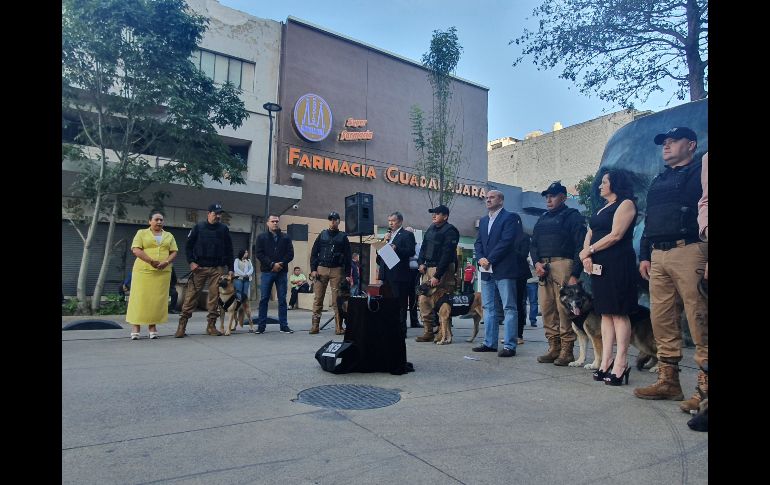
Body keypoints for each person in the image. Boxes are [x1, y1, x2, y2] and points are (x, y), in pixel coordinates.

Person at [634, 127, 708, 412]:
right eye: (664, 142)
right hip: (658, 255)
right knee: (662, 320)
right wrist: (644, 255)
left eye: (673, 141)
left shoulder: (700, 171)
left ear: (691, 145)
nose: (666, 146)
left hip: (690, 249)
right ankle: (669, 382)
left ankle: (705, 387)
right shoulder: (658, 180)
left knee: (699, 316)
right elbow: (649, 220)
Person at [578, 169, 639, 386]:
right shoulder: (601, 208)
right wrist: (586, 255)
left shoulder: (626, 204)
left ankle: (621, 363)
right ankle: (606, 360)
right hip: (598, 264)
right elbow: (590, 231)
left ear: (615, 183)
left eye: (604, 182)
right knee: (605, 312)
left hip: (618, 262)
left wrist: (590, 250)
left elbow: (616, 235)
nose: (600, 186)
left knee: (619, 312)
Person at [530, 181, 587, 365]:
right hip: (543, 268)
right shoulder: (542, 218)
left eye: (552, 196)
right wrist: (537, 263)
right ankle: (553, 347)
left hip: (563, 264)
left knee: (564, 309)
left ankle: (567, 350)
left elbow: (581, 245)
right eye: (547, 196)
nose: (548, 200)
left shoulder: (573, 216)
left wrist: (575, 274)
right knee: (547, 308)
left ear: (563, 197)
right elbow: (534, 244)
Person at [472, 190, 521, 357]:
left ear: (501, 200)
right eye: (486, 198)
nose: (488, 200)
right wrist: (480, 259)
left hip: (504, 269)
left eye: (492, 197)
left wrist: (490, 259)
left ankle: (509, 345)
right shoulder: (484, 221)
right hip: (486, 271)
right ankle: (489, 343)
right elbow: (478, 243)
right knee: (488, 307)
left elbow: (506, 242)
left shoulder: (510, 218)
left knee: (509, 307)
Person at [175, 203, 234, 338]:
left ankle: (211, 326)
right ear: (208, 213)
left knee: (214, 297)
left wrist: (231, 268)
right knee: (191, 296)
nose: (218, 216)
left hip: (217, 268)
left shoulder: (224, 229)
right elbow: (188, 246)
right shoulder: (198, 227)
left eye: (219, 214)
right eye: (215, 213)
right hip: (200, 268)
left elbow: (229, 250)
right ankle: (182, 326)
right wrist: (191, 262)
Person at [126, 210, 178, 340]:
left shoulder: (169, 235)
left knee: (156, 300)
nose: (159, 222)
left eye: (161, 220)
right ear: (150, 221)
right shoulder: (141, 233)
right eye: (156, 219)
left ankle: (152, 327)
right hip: (143, 271)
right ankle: (135, 327)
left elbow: (174, 251)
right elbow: (136, 249)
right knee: (139, 298)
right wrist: (151, 261)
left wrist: (166, 262)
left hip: (162, 272)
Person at [415, 205, 459, 343]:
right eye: (433, 213)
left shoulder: (451, 231)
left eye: (437, 213)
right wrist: (421, 263)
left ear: (445, 216)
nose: (433, 215)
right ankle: (428, 331)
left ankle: (443, 333)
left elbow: (447, 254)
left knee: (442, 302)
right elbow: (423, 248)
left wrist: (437, 275)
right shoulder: (431, 228)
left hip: (443, 270)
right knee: (423, 299)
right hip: (428, 268)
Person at [376, 212, 417, 338]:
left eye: (393, 221)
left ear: (399, 221)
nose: (390, 223)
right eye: (389, 221)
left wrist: (396, 248)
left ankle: (401, 330)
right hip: (386, 275)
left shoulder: (407, 234)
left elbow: (411, 251)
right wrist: (382, 246)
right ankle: (390, 328)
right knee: (388, 303)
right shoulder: (388, 236)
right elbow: (379, 260)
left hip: (399, 275)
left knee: (400, 303)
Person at [309, 211, 351, 335]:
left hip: (337, 270)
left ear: (339, 221)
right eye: (331, 219)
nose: (332, 221)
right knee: (318, 299)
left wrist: (348, 274)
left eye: (335, 219)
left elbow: (348, 257)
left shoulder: (343, 237)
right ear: (329, 221)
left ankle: (338, 327)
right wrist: (313, 269)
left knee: (337, 301)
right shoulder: (322, 235)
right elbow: (314, 253)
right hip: (321, 269)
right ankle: (315, 326)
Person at [254, 214, 295, 334]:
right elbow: (259, 254)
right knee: (264, 299)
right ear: (267, 223)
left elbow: (290, 254)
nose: (275, 223)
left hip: (282, 272)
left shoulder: (286, 237)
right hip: (267, 272)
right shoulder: (261, 237)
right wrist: (272, 264)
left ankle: (284, 326)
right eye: (273, 221)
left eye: (277, 221)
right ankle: (261, 326)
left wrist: (281, 264)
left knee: (282, 299)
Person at [512, 220, 532, 346]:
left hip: (520, 273)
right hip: (508, 273)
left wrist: (509, 249)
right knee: (510, 305)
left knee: (519, 304)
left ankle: (519, 334)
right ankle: (511, 334)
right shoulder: (506, 235)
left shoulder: (524, 237)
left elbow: (524, 254)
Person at [404, 226, 421, 328]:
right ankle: (403, 322)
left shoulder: (417, 246)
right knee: (404, 297)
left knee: (414, 297)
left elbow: (420, 257)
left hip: (415, 273)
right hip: (404, 272)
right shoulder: (403, 244)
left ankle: (414, 321)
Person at [526, 256, 539, 327]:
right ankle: (522, 319)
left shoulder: (533, 253)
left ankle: (533, 320)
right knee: (522, 301)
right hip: (522, 279)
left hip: (533, 280)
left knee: (533, 301)